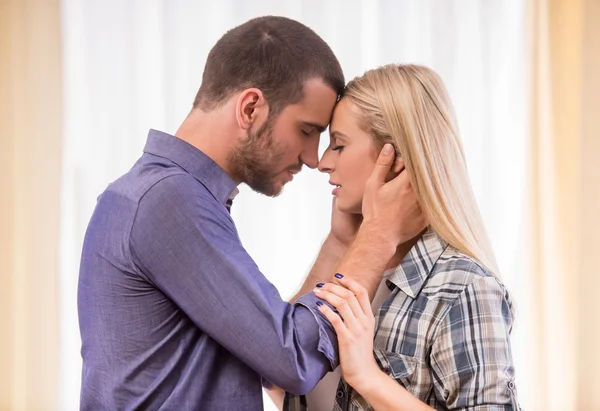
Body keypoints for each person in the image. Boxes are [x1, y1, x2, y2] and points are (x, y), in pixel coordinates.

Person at [77, 17, 425, 410]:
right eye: (307, 131)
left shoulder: (155, 197)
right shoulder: (168, 202)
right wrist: (378, 236)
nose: (314, 159)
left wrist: (339, 243)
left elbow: (271, 352)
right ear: (251, 107)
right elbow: (291, 359)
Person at [281, 64, 521, 410]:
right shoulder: (352, 265)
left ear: (391, 158)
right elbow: (278, 370)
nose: (322, 163)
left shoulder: (462, 287)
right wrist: (338, 243)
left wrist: (368, 377)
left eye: (338, 145)